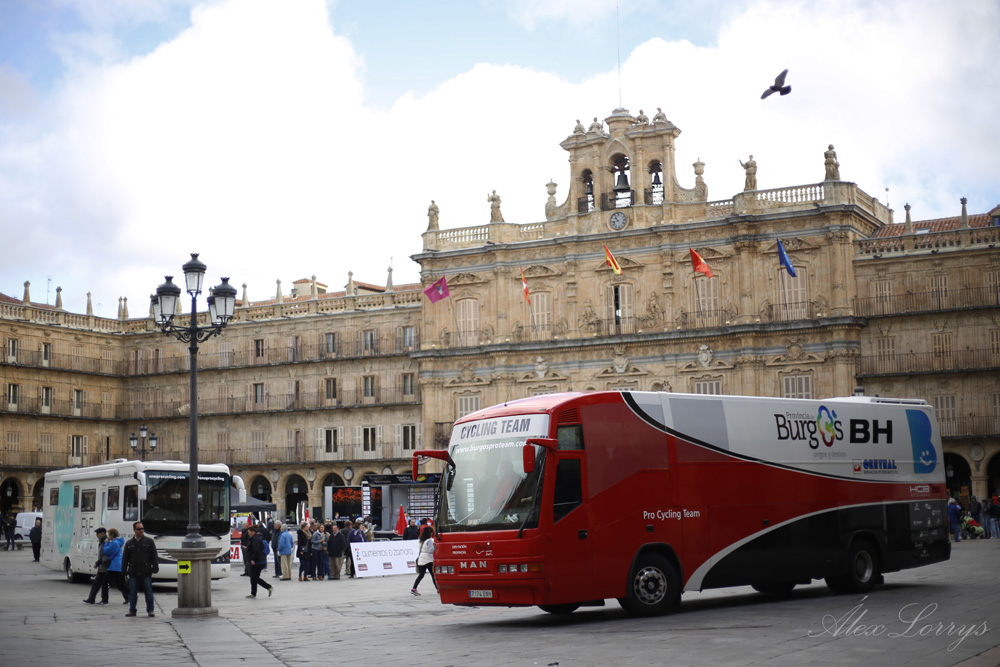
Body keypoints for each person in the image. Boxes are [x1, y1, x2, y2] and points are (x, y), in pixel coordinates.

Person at [122, 521, 158, 617]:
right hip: (133, 571)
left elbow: (154, 555)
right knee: (133, 592)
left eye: (142, 529)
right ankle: (132, 610)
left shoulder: (149, 541)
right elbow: (125, 558)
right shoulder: (129, 543)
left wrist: (155, 567)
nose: (141, 531)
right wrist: (123, 571)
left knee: (148, 592)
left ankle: (150, 610)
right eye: (138, 529)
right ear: (134, 530)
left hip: (146, 571)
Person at [244, 524, 273, 599]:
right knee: (253, 577)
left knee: (255, 578)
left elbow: (256, 550)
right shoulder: (255, 538)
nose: (248, 533)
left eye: (249, 532)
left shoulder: (255, 539)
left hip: (257, 561)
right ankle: (253, 593)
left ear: (253, 532)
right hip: (258, 560)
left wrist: (253, 559)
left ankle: (268, 587)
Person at [84, 527, 110, 604]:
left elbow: (105, 554)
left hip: (105, 567)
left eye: (98, 533)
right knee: (96, 583)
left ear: (102, 534)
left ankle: (128, 595)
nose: (96, 535)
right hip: (101, 567)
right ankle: (91, 599)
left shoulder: (106, 542)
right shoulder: (101, 542)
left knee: (113, 583)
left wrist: (99, 562)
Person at [103, 527, 129, 604]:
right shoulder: (118, 542)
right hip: (117, 564)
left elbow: (106, 551)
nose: (108, 536)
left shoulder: (114, 543)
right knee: (119, 583)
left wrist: (106, 542)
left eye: (109, 535)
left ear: (111, 535)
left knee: (106, 581)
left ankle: (104, 600)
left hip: (114, 565)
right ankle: (129, 596)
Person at [410, 525, 437, 596]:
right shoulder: (429, 540)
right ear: (430, 533)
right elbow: (431, 550)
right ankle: (438, 589)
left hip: (421, 558)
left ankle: (414, 588)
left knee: (421, 575)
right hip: (428, 559)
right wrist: (435, 547)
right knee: (433, 575)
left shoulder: (421, 540)